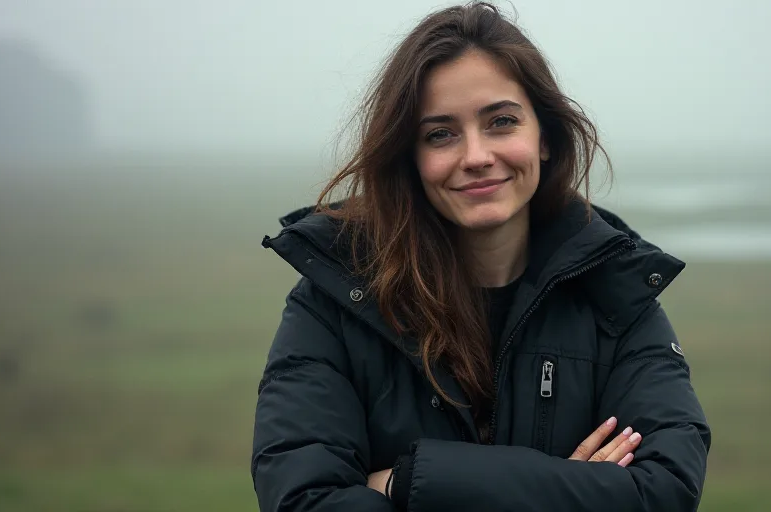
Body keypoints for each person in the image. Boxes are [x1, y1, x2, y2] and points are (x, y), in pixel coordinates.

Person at [251, 2, 711, 511]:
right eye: (440, 134)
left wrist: (408, 482)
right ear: (410, 157)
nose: (475, 157)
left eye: (502, 121)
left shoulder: (615, 294)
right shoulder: (336, 298)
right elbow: (304, 501)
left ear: (545, 139)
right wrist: (568, 491)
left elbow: (663, 493)